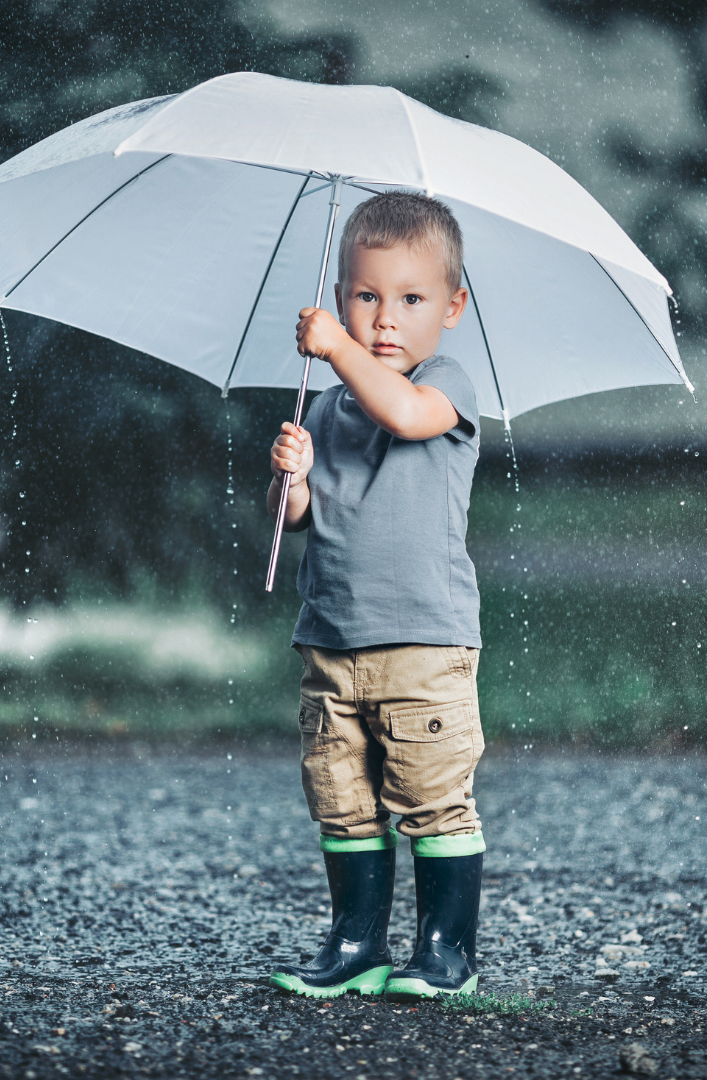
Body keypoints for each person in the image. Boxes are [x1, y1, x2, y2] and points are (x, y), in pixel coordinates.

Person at [266, 192, 485, 1000]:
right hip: (332, 641)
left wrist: (335, 350)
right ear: (340, 293)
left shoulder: (446, 384)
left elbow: (404, 414)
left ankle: (444, 949)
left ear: (451, 308)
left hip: (424, 648)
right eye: (365, 298)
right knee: (342, 798)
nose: (385, 319)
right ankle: (357, 941)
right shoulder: (324, 405)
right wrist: (289, 479)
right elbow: (299, 515)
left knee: (432, 798)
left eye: (411, 299)